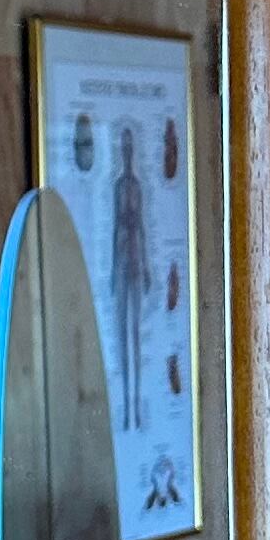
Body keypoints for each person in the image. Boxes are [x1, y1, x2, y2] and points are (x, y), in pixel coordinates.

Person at [109, 122, 150, 430]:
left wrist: (146, 267)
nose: (127, 152)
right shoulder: (118, 187)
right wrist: (113, 270)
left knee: (135, 333)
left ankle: (136, 407)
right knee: (122, 334)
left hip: (135, 259)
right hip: (122, 259)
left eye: (130, 147)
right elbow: (115, 228)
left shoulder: (136, 186)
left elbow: (142, 228)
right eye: (123, 147)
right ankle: (125, 409)